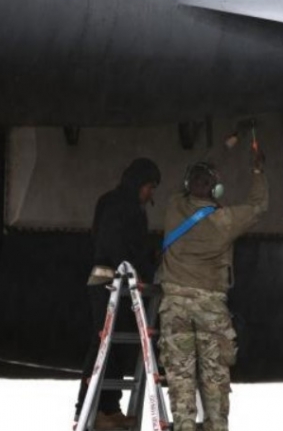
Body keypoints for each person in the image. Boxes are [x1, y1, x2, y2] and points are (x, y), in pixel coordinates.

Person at [158, 153, 268, 431]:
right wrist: (258, 172)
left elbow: (184, 192)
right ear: (215, 189)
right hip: (211, 308)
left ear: (187, 184)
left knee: (180, 376)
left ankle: (184, 426)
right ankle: (216, 426)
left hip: (175, 305)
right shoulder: (225, 220)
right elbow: (258, 206)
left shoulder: (173, 206)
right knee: (215, 378)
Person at [74, 157, 161, 430]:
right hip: (111, 282)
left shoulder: (115, 203)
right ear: (139, 183)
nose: (150, 194)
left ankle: (110, 408)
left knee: (117, 349)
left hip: (121, 284)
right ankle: (89, 407)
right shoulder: (121, 206)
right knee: (103, 345)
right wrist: (139, 268)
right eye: (149, 187)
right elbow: (117, 245)